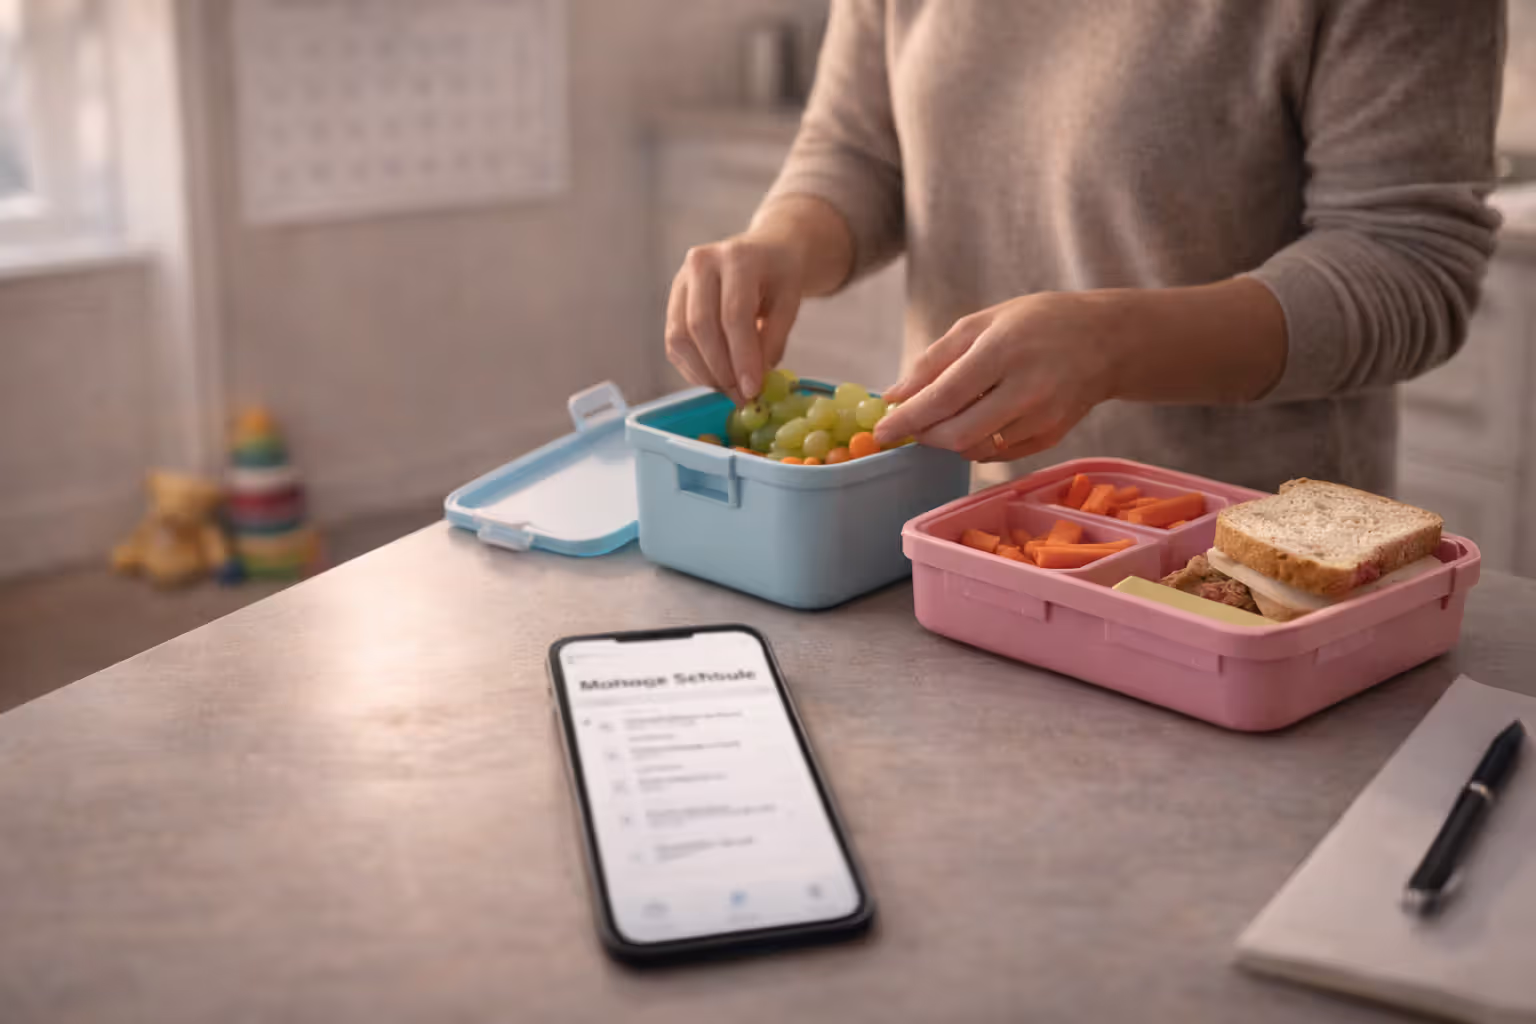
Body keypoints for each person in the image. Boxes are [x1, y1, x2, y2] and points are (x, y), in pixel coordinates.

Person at [662, 1, 1505, 494]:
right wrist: (779, 245)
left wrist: (1107, 343)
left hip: (1244, 554)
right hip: (969, 525)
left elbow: (1408, 262)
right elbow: (861, 150)